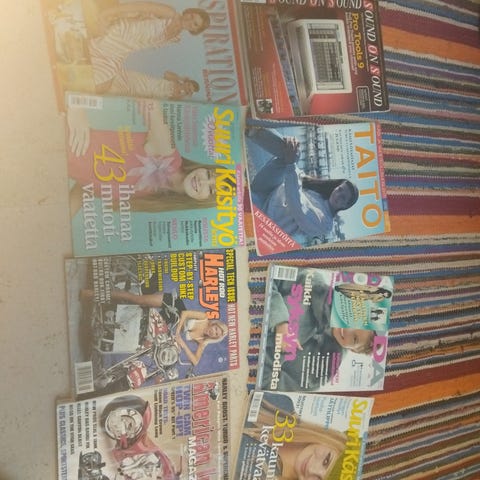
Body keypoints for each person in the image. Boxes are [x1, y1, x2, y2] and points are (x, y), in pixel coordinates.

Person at [67, 101, 217, 213]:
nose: (203, 181)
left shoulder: (155, 197)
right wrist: (77, 106)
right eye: (209, 174)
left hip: (58, 165)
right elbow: (147, 97)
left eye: (210, 189)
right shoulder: (167, 152)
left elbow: (85, 187)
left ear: (204, 201)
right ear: (203, 168)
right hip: (62, 138)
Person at [247, 127, 359, 246]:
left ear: (345, 206)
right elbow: (298, 174)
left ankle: (253, 130)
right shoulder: (319, 194)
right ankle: (252, 130)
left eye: (343, 198)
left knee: (291, 159)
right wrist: (293, 150)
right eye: (340, 190)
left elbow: (298, 207)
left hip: (264, 217)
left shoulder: (326, 224)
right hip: (266, 193)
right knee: (295, 153)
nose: (338, 195)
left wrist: (291, 163)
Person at [89, 3, 210, 93]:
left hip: (124, 51)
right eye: (192, 16)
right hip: (118, 36)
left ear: (195, 31)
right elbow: (139, 7)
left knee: (104, 85)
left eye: (195, 24)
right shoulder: (170, 13)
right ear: (188, 12)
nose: (190, 21)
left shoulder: (175, 37)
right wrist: (105, 14)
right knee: (101, 84)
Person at [240, 393, 347, 480]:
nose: (311, 469)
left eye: (319, 479)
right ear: (330, 439)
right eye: (326, 461)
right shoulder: (283, 407)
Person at [108, 68, 200, 100]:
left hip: (147, 93)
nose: (187, 87)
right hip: (148, 82)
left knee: (122, 90)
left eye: (189, 90)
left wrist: (186, 95)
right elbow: (166, 74)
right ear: (188, 81)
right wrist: (181, 78)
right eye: (189, 85)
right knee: (125, 77)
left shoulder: (179, 95)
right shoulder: (176, 80)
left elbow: (173, 99)